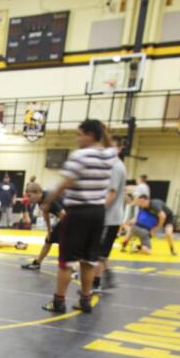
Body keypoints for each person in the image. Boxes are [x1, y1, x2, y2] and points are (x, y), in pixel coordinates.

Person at [41, 119, 117, 314]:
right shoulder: (109, 155)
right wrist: (102, 132)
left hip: (78, 212)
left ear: (90, 135)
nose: (77, 139)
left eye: (79, 134)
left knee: (66, 261)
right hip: (98, 212)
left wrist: (49, 201)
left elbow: (65, 183)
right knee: (89, 260)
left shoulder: (80, 156)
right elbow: (110, 144)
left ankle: (59, 301)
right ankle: (85, 299)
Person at [95, 134, 127, 292]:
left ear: (120, 149)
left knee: (99, 253)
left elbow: (111, 194)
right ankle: (108, 274)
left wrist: (98, 210)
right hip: (112, 217)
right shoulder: (114, 165)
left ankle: (95, 283)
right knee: (101, 251)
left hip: (109, 218)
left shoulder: (115, 166)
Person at [20, 187, 65, 270]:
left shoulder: (49, 199)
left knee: (66, 244)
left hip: (72, 219)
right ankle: (37, 263)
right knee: (49, 240)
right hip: (68, 219)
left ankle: (71, 269)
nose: (28, 198)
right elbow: (45, 212)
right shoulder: (40, 200)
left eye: (30, 196)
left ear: (38, 193)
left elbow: (63, 214)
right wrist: (49, 230)